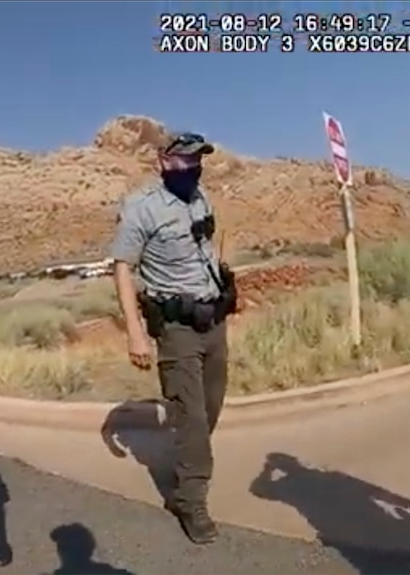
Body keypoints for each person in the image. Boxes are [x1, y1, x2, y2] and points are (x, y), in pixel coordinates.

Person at [109, 132, 237, 545]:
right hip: (176, 328)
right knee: (192, 417)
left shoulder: (201, 197)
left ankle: (187, 462)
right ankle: (191, 500)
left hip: (213, 321)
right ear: (162, 162)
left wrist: (224, 282)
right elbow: (124, 268)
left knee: (211, 407)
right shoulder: (141, 207)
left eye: (197, 159)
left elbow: (208, 246)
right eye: (184, 160)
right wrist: (135, 334)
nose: (192, 167)